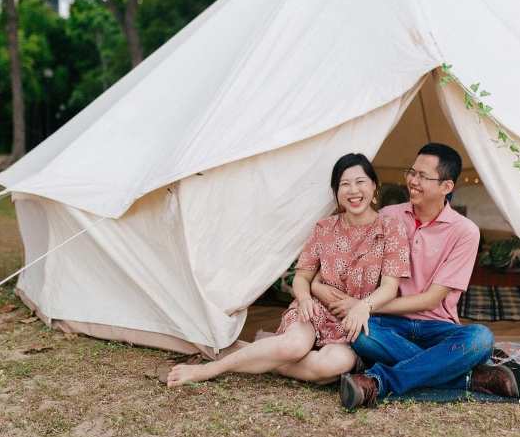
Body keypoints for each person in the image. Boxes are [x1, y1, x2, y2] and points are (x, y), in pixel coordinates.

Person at [166, 153, 411, 387]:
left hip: (353, 320)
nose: (353, 190)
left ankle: (260, 353)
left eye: (360, 182)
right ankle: (211, 369)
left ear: (374, 187)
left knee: (333, 367)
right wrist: (304, 299)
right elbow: (302, 277)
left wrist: (362, 306)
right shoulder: (324, 227)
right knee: (293, 347)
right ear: (336, 192)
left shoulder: (391, 228)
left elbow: (390, 287)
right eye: (344, 184)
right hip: (315, 309)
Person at [325, 143, 518, 408]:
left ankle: (380, 382)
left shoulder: (465, 231)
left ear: (446, 187)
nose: (412, 181)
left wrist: (363, 305)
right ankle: (465, 378)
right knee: (359, 334)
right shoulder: (388, 216)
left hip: (438, 327)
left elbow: (430, 300)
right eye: (411, 172)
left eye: (422, 177)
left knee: (480, 339)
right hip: (389, 323)